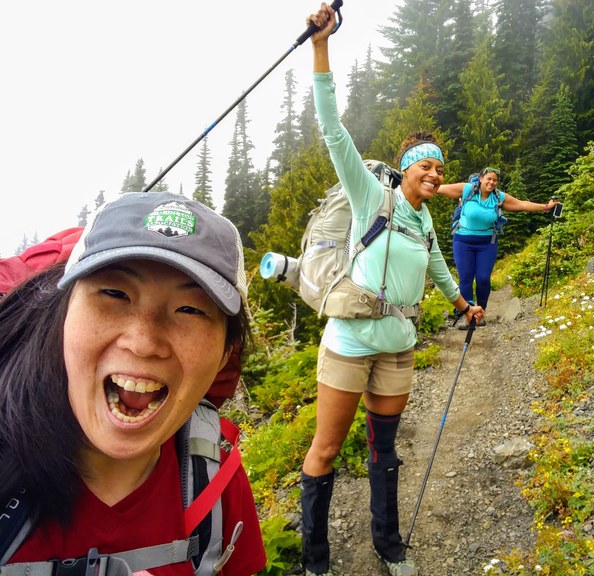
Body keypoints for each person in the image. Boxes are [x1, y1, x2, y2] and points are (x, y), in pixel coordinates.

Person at [300, 5, 484, 576]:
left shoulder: (425, 221)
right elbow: (333, 130)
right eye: (424, 166)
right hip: (350, 341)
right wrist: (321, 46)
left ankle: (388, 544)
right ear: (405, 169)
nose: (434, 174)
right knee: (326, 449)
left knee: (385, 449)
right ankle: (315, 561)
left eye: (439, 169)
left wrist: (463, 305)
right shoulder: (369, 196)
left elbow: (438, 270)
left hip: (399, 346)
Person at [0, 192, 267, 576]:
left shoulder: (215, 473)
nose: (142, 343)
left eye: (190, 310)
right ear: (62, 317)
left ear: (226, 354)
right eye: (114, 293)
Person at [439, 168, 559, 328]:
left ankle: (480, 313)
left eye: (494, 180)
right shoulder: (468, 189)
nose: (491, 182)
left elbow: (522, 204)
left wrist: (546, 207)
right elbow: (441, 188)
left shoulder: (498, 197)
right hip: (463, 241)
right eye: (488, 179)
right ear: (481, 179)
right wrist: (419, 185)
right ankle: (467, 314)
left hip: (487, 242)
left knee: (483, 278)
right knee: (466, 278)